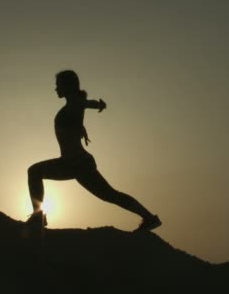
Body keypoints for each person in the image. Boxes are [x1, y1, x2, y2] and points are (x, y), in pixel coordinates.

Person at [26, 70, 162, 232]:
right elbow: (80, 109)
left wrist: (97, 105)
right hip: (76, 163)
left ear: (68, 86)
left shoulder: (75, 103)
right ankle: (149, 218)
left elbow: (82, 104)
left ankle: (38, 217)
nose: (56, 89)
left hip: (75, 163)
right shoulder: (73, 105)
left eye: (58, 85)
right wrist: (92, 112)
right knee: (110, 195)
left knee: (34, 172)